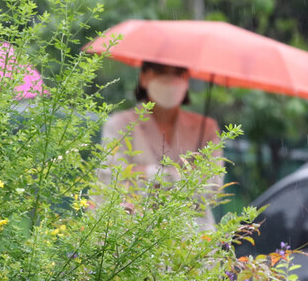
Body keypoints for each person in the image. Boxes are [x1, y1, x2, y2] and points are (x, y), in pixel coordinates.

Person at [95, 62, 222, 227]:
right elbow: (112, 182)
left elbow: (211, 189)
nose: (169, 79)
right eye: (161, 71)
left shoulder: (206, 129)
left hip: (194, 236)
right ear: (143, 77)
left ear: (186, 80)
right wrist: (178, 177)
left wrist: (143, 173)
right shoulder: (120, 124)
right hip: (135, 235)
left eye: (178, 73)